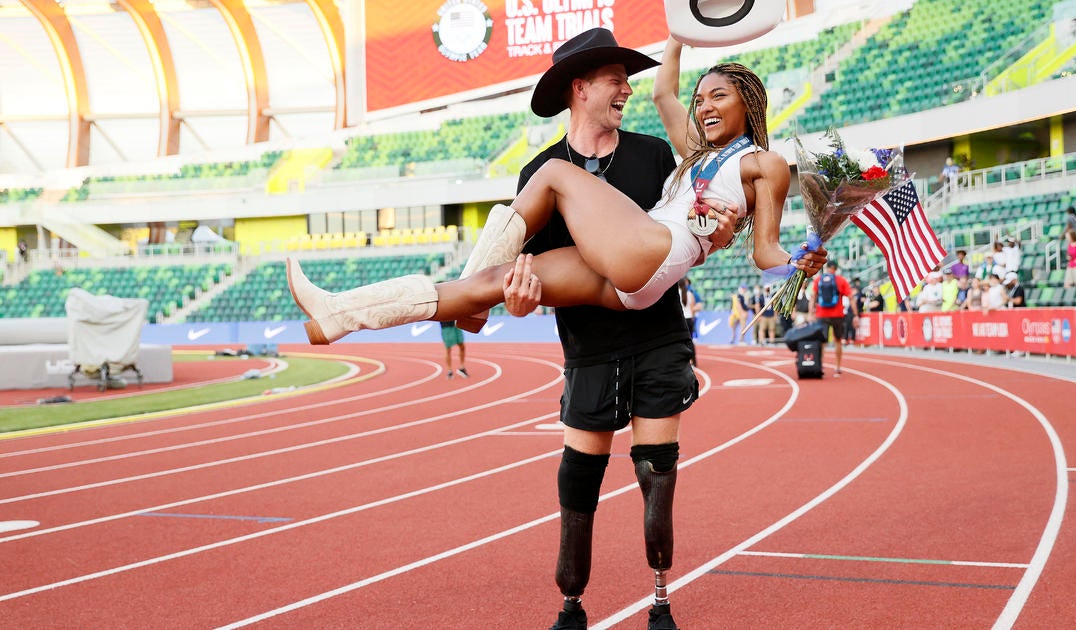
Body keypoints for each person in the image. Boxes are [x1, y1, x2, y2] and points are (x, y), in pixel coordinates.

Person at [288, 29, 825, 630]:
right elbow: (671, 98)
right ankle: (342, 315)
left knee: (555, 182)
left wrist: (765, 247)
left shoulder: (685, 158)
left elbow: (748, 240)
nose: (698, 104)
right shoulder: (690, 153)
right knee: (486, 284)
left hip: (653, 284)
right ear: (580, 88)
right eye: (615, 79)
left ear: (747, 104)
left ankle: (660, 599)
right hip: (606, 307)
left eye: (717, 96)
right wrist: (681, 33)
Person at [810, 261, 856, 376]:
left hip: (821, 314)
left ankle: (820, 366)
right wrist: (855, 315)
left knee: (821, 342)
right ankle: (838, 367)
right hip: (837, 315)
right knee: (838, 341)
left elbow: (812, 297)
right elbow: (851, 298)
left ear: (826, 268)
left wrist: (811, 313)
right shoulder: (841, 280)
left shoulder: (818, 280)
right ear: (836, 269)